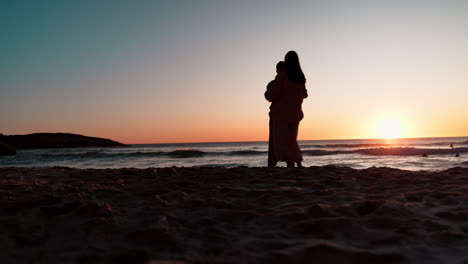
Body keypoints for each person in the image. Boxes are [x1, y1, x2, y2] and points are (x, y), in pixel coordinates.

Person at [269, 51, 308, 167]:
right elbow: (305, 94)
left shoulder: (282, 76)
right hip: (295, 113)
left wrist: (268, 94)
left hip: (281, 113)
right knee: (291, 140)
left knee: (281, 141)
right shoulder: (300, 78)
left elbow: (272, 95)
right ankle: (297, 163)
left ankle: (290, 163)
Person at [265, 61, 286, 167]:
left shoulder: (273, 83)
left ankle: (272, 163)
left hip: (277, 114)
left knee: (273, 140)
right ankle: (289, 163)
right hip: (288, 114)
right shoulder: (292, 83)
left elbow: (269, 96)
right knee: (287, 139)